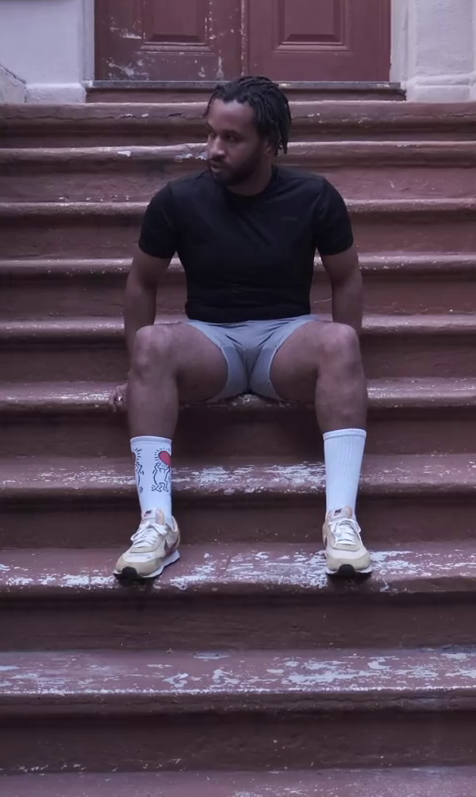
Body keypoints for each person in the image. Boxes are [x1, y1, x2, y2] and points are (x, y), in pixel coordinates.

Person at [111, 76, 371, 581]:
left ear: (270, 143)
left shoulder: (313, 196)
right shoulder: (178, 200)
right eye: (211, 134)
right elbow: (142, 282)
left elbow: (347, 276)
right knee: (151, 342)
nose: (214, 149)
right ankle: (157, 523)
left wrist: (348, 364)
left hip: (287, 340)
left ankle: (341, 521)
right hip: (211, 342)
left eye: (231, 138)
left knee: (340, 340)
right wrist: (137, 374)